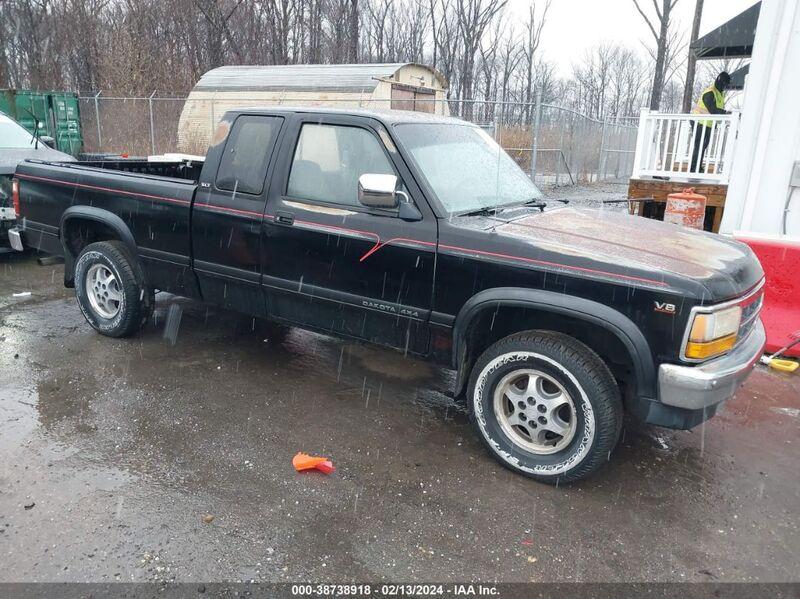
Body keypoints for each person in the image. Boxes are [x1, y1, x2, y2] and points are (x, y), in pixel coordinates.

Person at [690, 71, 731, 173]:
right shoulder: (710, 92)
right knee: (699, 145)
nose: (724, 87)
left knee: (703, 146)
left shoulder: (719, 94)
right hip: (699, 121)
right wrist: (725, 113)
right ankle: (694, 169)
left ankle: (698, 167)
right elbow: (713, 109)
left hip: (708, 123)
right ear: (720, 82)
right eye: (724, 84)